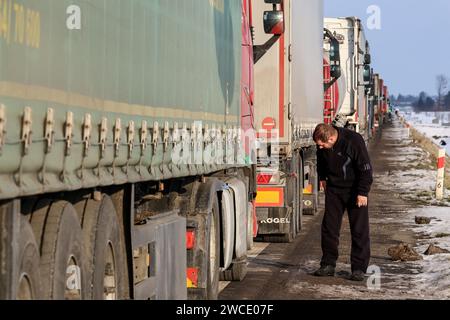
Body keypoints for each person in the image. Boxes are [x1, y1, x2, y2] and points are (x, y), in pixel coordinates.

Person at [312, 123, 373, 282]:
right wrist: (323, 177)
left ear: (331, 138)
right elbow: (321, 160)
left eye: (323, 144)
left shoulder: (353, 140)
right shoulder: (323, 147)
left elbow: (365, 168)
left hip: (354, 190)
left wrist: (362, 192)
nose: (321, 147)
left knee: (359, 229)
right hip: (334, 190)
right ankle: (328, 265)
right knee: (329, 228)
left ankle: (359, 268)